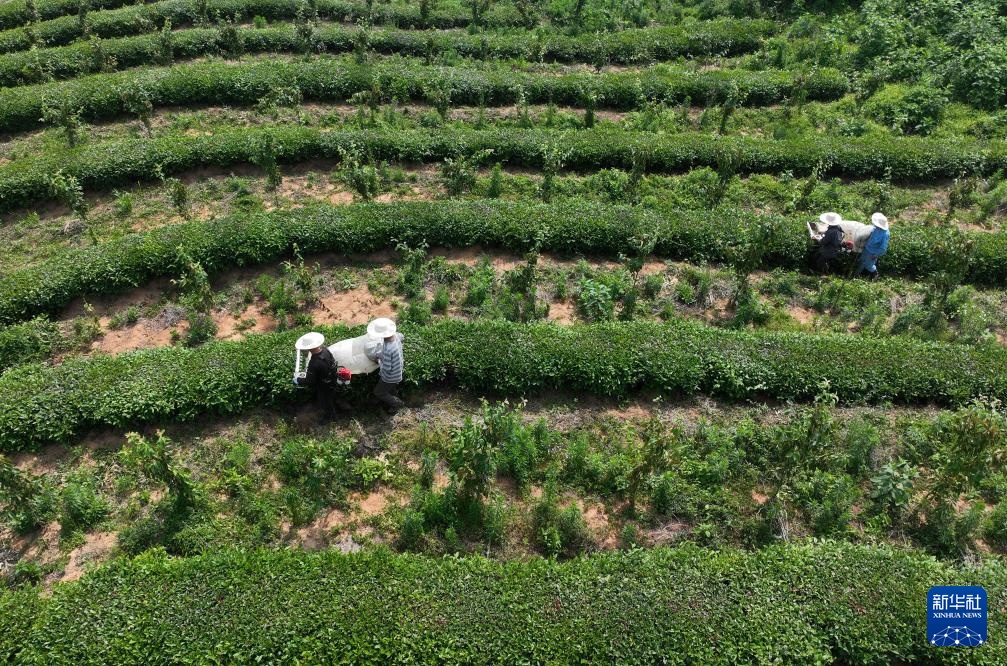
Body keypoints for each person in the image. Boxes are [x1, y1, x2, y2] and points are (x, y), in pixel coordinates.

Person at [293, 332, 350, 421]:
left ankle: (330, 418)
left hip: (324, 387)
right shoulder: (325, 350)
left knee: (326, 403)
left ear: (309, 348)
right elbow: (333, 362)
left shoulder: (314, 363)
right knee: (332, 397)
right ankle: (338, 409)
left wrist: (298, 380)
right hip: (333, 380)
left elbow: (310, 381)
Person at [365, 318, 405, 415]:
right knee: (391, 388)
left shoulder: (388, 349)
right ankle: (393, 396)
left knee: (378, 392)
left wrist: (378, 360)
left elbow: (387, 368)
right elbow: (402, 336)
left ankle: (395, 404)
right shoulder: (396, 337)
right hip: (398, 370)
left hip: (390, 376)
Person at [855, 213, 890, 280]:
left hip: (873, 252)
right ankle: (856, 275)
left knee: (869, 265)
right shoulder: (876, 228)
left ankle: (875, 274)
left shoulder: (885, 234)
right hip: (867, 248)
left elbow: (883, 248)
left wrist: (876, 255)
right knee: (861, 261)